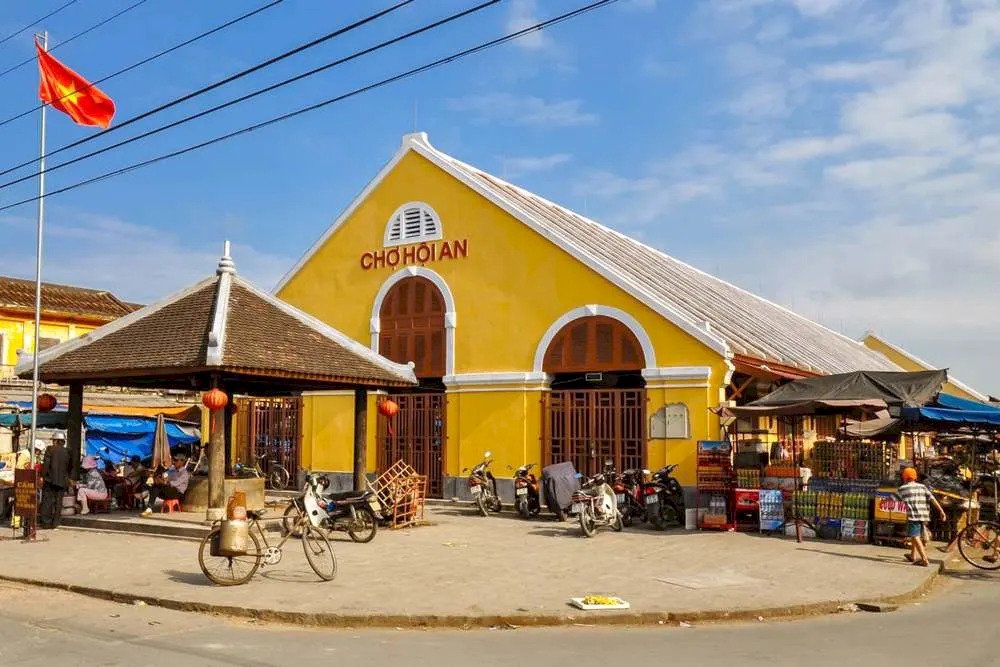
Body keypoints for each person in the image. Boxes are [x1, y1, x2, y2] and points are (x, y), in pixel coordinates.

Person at [899, 467, 946, 567]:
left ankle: (924, 559)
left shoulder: (902, 489)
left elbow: (893, 498)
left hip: (913, 516)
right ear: (915, 477)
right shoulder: (922, 487)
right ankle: (912, 555)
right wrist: (941, 511)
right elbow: (933, 499)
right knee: (915, 535)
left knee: (915, 536)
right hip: (924, 515)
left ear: (904, 477)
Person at [39, 432, 71, 529]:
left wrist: (42, 476)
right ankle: (56, 523)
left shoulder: (50, 449)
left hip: (50, 480)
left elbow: (46, 465)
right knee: (58, 502)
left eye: (53, 440)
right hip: (62, 481)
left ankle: (46, 522)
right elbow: (70, 467)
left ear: (56, 441)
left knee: (47, 502)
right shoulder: (68, 451)